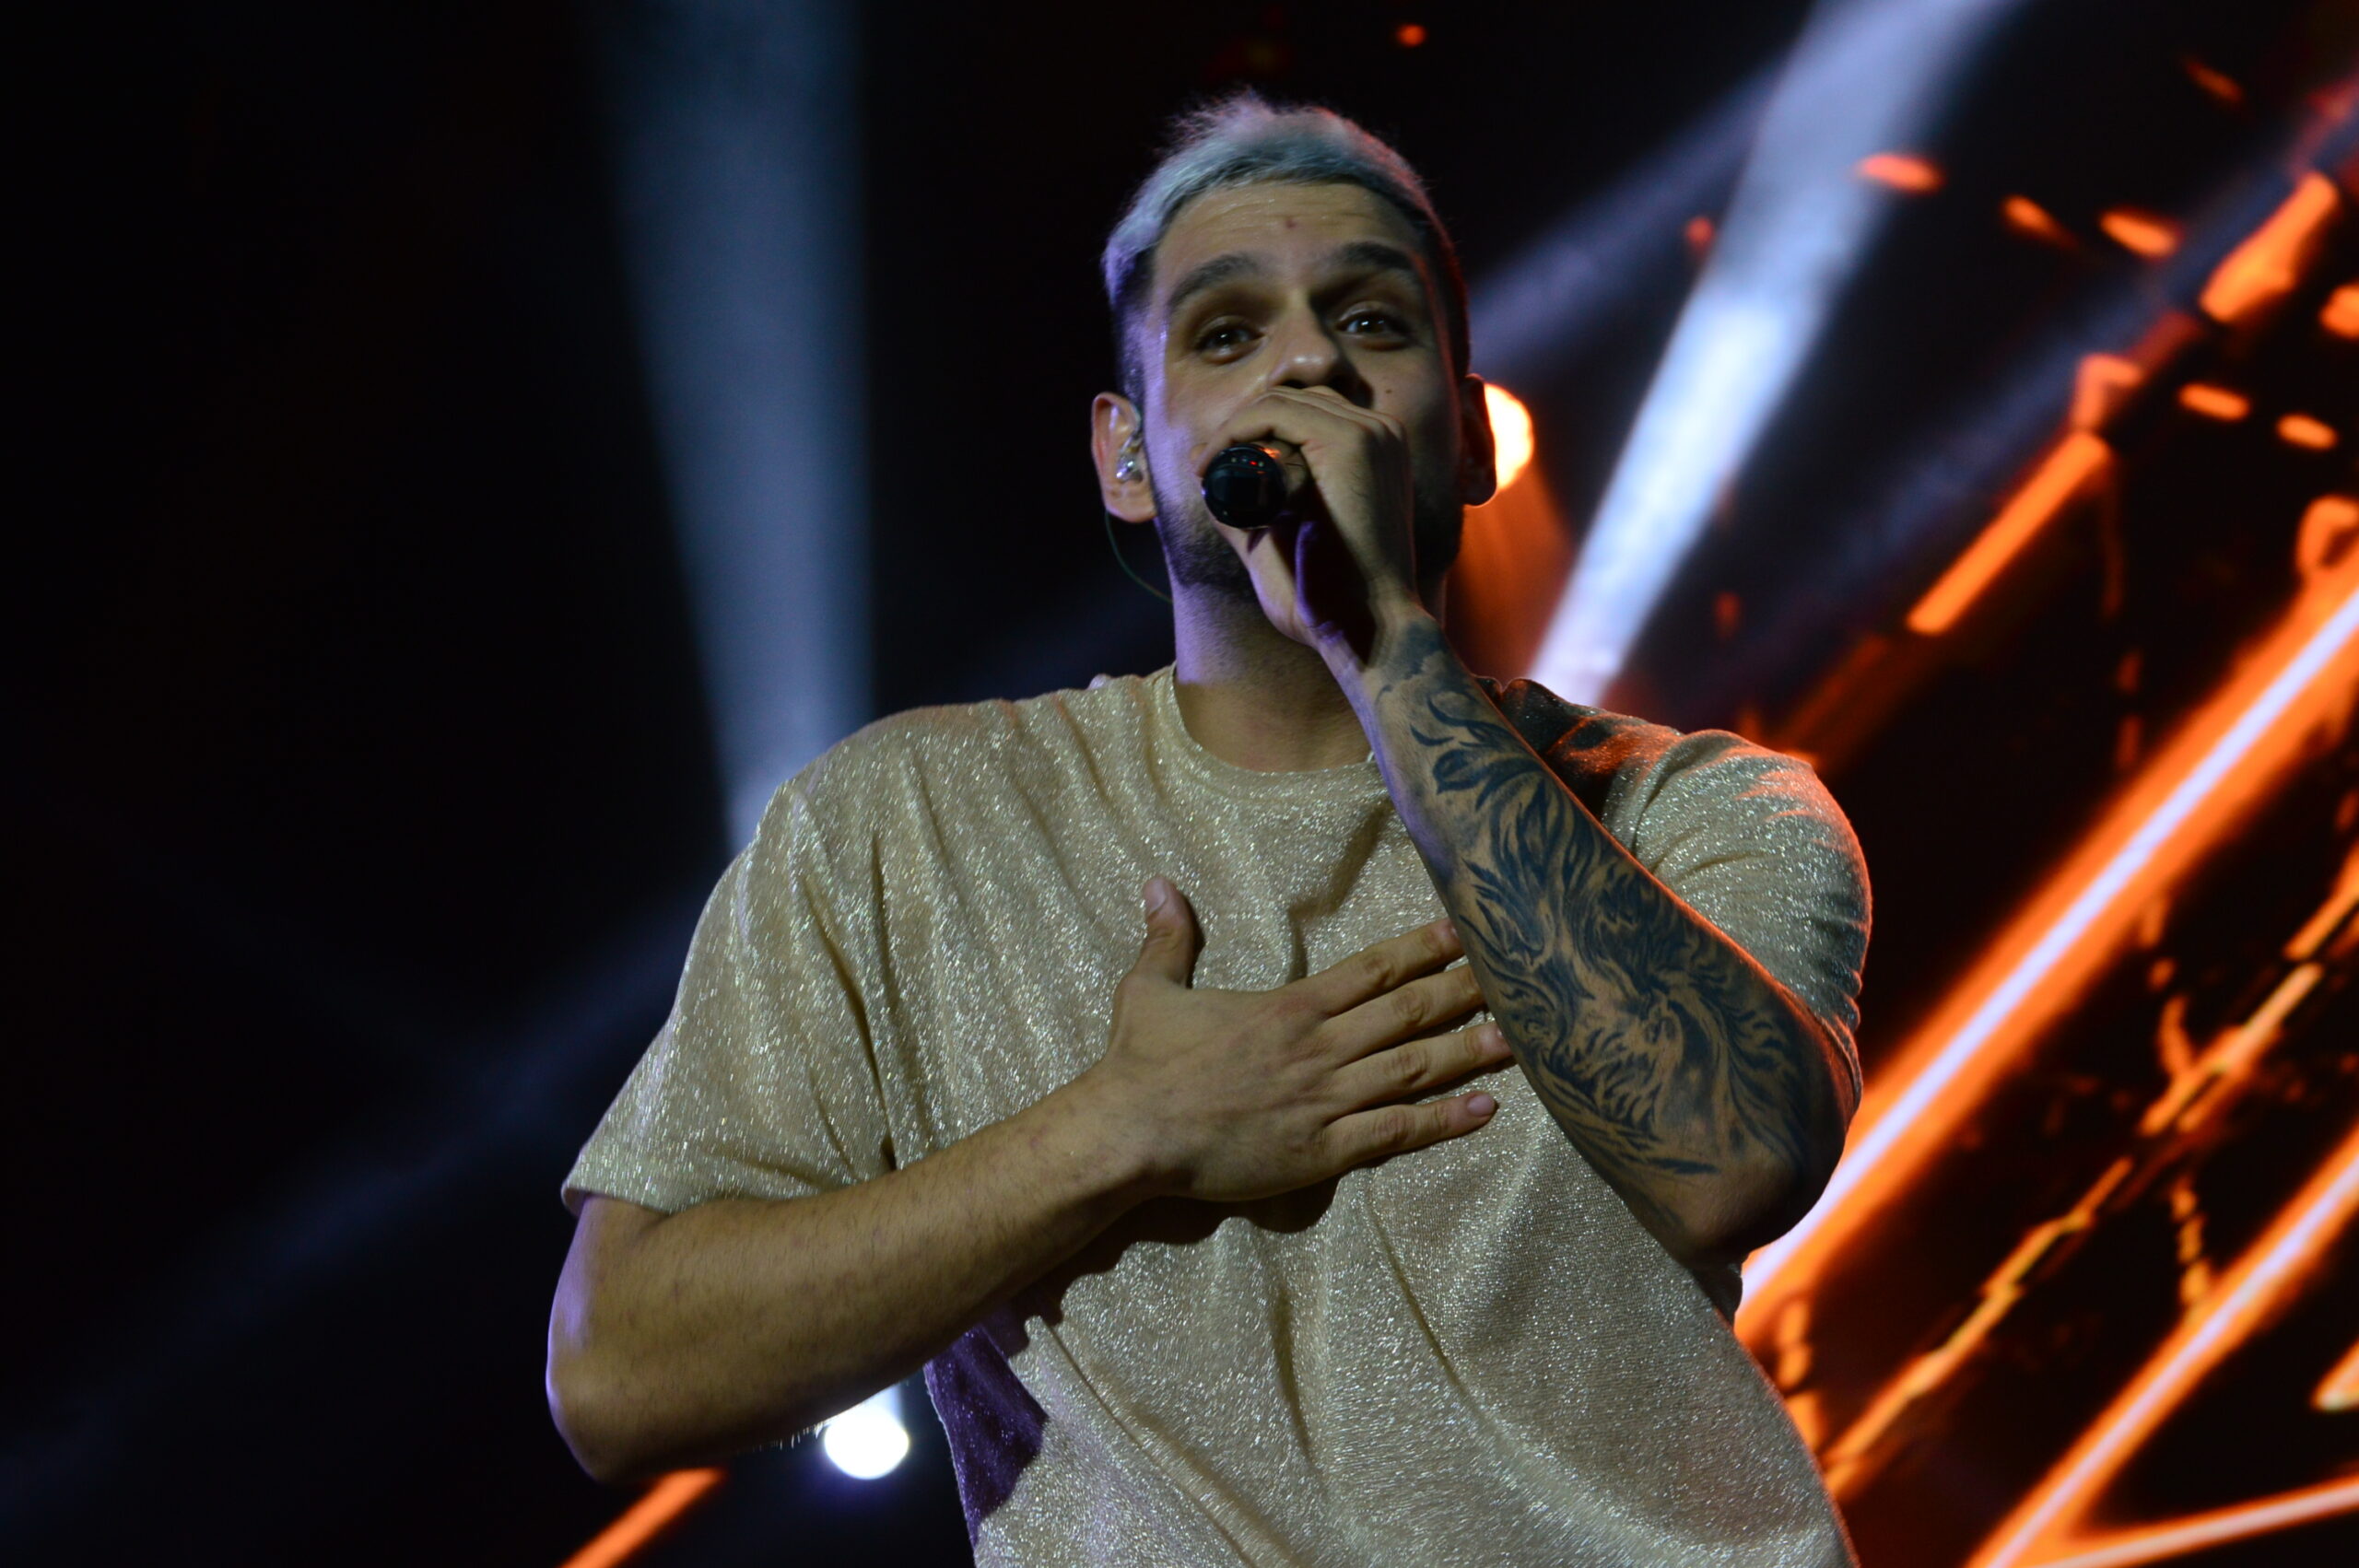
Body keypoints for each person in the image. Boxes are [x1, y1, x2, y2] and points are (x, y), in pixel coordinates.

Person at [547, 92, 1870, 1566]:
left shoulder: (1696, 807)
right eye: (1227, 333)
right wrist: (1124, 1132)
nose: (1308, 359)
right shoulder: (900, 828)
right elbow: (619, 1368)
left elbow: (1732, 1157)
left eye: (1372, 322)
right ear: (1127, 454)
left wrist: (1386, 651)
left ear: (1472, 432)